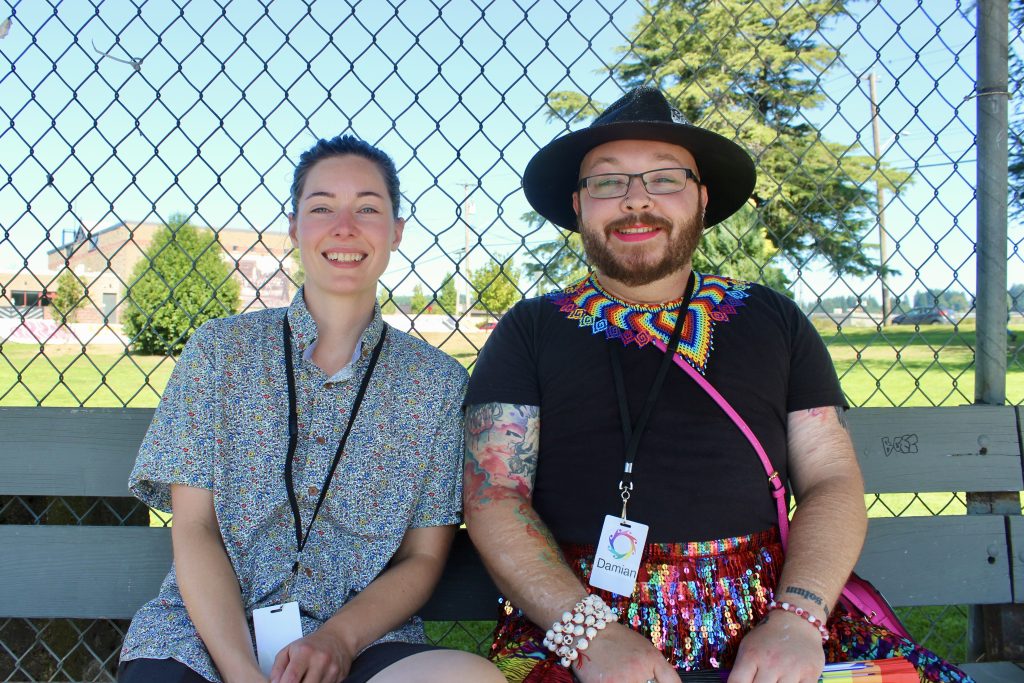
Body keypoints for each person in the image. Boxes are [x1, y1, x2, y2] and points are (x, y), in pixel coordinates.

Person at [463, 87, 973, 683]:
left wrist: (799, 617)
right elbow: (495, 496)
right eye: (607, 182)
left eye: (664, 179)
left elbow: (831, 478)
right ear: (578, 205)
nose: (636, 201)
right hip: (576, 622)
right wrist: (589, 635)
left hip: (772, 617)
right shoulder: (530, 329)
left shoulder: (774, 319)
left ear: (702, 199)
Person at [118, 135, 504, 683]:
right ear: (295, 227)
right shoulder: (220, 351)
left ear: (395, 232)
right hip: (205, 635)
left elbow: (422, 556)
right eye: (322, 207)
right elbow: (195, 527)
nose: (344, 227)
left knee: (471, 678)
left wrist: (337, 640)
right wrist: (240, 669)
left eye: (368, 208)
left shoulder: (437, 383)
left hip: (359, 637)